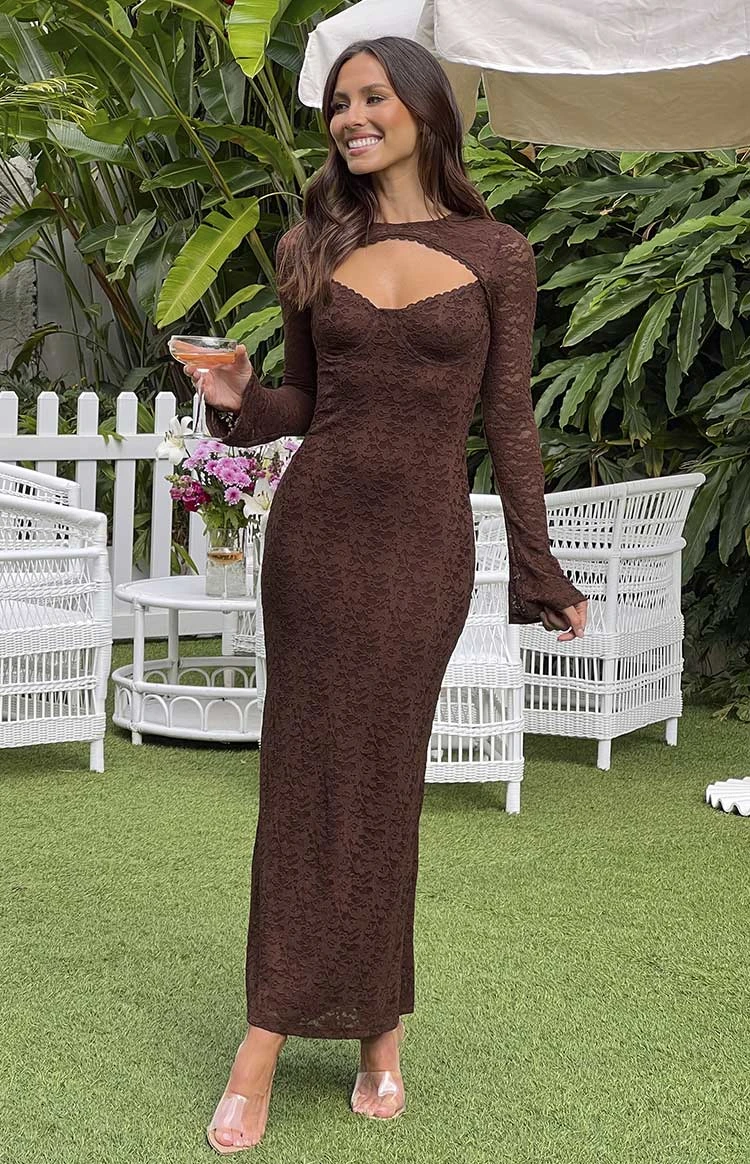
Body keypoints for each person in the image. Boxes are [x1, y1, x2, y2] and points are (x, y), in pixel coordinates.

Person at [183, 35, 589, 1154]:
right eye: (338, 103)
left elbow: (509, 421)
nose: (351, 117)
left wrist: (539, 566)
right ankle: (264, 1040)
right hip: (315, 544)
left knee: (384, 787)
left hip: (419, 553)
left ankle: (378, 1029)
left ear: (423, 109)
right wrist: (237, 394)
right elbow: (304, 407)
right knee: (301, 784)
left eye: (372, 98)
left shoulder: (498, 252)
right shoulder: (311, 243)